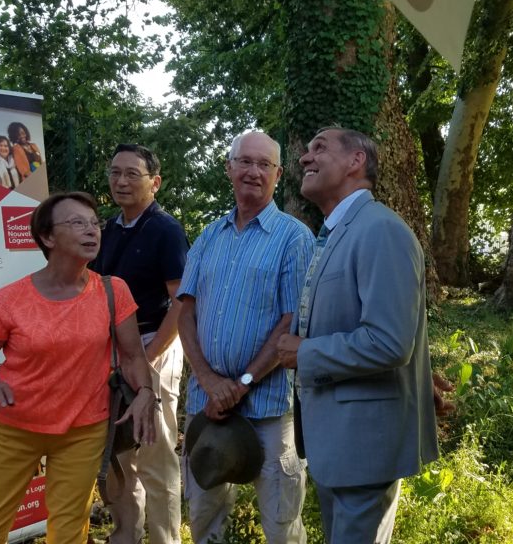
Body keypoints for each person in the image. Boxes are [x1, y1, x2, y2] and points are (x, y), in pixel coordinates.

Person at [0, 191, 159, 544]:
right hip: (14, 430)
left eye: (94, 223)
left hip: (84, 431)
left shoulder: (113, 291)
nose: (91, 230)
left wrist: (145, 391)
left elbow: (132, 358)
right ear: (48, 237)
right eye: (78, 223)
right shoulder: (10, 300)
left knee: (69, 533)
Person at [276, 127, 439, 544]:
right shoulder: (337, 233)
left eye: (319, 148)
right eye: (306, 150)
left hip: (364, 445)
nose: (305, 158)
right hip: (336, 442)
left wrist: (305, 352)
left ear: (356, 161)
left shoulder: (380, 230)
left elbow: (389, 342)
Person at [177, 131, 313, 544]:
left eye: (264, 164)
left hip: (269, 407)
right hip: (207, 405)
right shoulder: (209, 236)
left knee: (281, 524)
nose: (254, 171)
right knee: (204, 516)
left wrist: (242, 384)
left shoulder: (294, 238)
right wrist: (209, 381)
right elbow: (185, 312)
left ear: (279, 174)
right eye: (245, 161)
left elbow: (293, 320)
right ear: (229, 168)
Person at [90, 144, 188, 544]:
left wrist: (149, 357)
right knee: (119, 451)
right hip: (111, 350)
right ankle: (125, 536)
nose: (121, 181)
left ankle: (165, 538)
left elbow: (182, 302)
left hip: (153, 344)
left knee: (155, 452)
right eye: (115, 172)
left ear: (155, 182)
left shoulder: (166, 230)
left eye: (132, 173)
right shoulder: (108, 229)